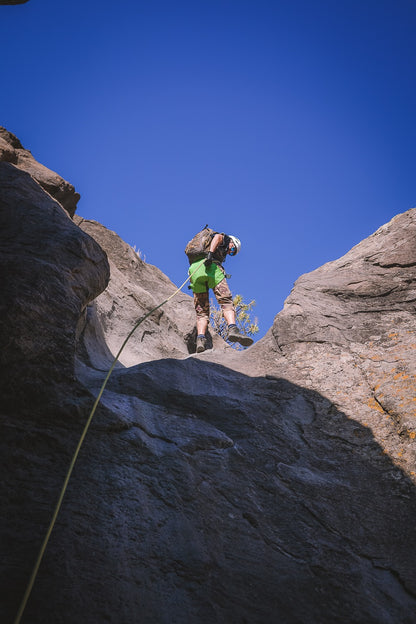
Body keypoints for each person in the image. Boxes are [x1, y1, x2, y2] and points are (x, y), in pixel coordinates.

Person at [188, 231, 254, 353]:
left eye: (233, 253)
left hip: (195, 271)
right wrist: (210, 255)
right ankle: (232, 329)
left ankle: (200, 340)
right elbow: (218, 237)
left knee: (201, 311)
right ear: (232, 242)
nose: (231, 252)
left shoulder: (202, 247)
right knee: (226, 301)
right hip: (211, 269)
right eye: (233, 249)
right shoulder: (225, 239)